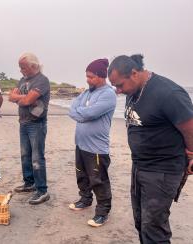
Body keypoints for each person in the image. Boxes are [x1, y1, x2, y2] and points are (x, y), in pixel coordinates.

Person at [108, 54, 193, 243]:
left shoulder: (168, 93)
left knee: (154, 226)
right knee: (141, 221)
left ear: (134, 73)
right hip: (140, 166)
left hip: (163, 169)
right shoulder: (133, 91)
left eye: (120, 85)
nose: (118, 91)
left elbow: (190, 127)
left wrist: (191, 154)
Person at [68, 58, 116, 227]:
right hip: (80, 144)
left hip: (96, 149)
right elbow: (72, 109)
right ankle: (85, 199)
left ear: (101, 76)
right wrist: (81, 112)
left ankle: (103, 212)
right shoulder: (87, 93)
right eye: (87, 76)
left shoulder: (108, 94)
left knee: (99, 181)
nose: (87, 79)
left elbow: (88, 114)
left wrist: (81, 113)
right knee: (82, 176)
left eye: (91, 76)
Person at [9, 52, 50, 205]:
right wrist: (23, 99)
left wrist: (19, 98)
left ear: (34, 66)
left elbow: (25, 100)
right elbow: (12, 97)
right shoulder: (22, 80)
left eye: (23, 67)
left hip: (37, 123)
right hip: (24, 122)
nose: (21, 70)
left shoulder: (42, 80)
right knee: (25, 155)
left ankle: (42, 190)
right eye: (20, 67)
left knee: (37, 158)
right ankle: (29, 183)